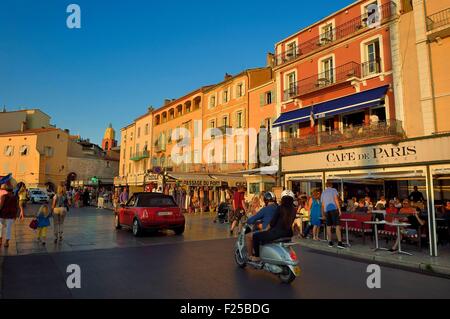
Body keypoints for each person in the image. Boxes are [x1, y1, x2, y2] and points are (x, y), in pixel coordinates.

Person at [249, 190, 297, 262]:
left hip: (277, 233)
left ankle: (257, 256)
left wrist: (266, 230)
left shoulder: (280, 208)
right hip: (289, 233)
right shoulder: (294, 209)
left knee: (256, 236)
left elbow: (272, 223)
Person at [245, 192, 278, 257]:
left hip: (268, 232)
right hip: (276, 231)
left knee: (248, 236)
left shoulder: (265, 209)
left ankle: (251, 256)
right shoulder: (278, 208)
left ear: (265, 200)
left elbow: (253, 218)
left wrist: (248, 220)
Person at [321, 181, 344, 249]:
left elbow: (322, 205)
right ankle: (339, 242)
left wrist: (323, 214)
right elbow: (336, 200)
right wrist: (339, 210)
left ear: (326, 186)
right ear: (331, 185)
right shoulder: (334, 190)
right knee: (337, 226)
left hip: (326, 210)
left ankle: (330, 242)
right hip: (334, 209)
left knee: (328, 226)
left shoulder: (323, 192)